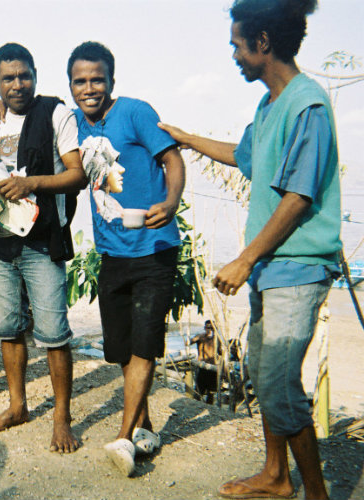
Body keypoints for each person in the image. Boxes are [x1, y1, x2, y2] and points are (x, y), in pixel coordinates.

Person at [158, 1, 340, 498]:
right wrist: (186, 138)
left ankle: (317, 494)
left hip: (298, 269)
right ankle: (276, 476)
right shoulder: (269, 106)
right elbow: (243, 157)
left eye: (238, 45)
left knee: (281, 385)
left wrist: (244, 258)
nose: (234, 55)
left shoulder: (308, 105)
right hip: (273, 271)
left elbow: (298, 198)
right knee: (262, 370)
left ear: (263, 43)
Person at [69, 41, 186, 476]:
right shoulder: (75, 124)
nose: (89, 88)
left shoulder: (135, 111)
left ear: (112, 81)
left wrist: (171, 202)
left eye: (97, 79)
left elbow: (173, 159)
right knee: (120, 347)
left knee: (143, 345)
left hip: (155, 249)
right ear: (71, 85)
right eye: (80, 81)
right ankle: (147, 425)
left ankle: (124, 437)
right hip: (111, 252)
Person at [0, 43, 87, 453]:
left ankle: (62, 418)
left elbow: (77, 175)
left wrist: (32, 184)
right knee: (7, 328)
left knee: (54, 333)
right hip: (1, 243)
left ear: (36, 74)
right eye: (8, 78)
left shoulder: (57, 113)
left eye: (24, 75)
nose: (17, 84)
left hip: (43, 242)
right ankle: (17, 406)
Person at [189, 320, 219, 404]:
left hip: (213, 368)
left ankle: (209, 407)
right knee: (199, 390)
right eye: (207, 327)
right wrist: (189, 340)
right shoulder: (201, 337)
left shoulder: (217, 340)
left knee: (211, 392)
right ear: (204, 328)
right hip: (202, 367)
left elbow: (221, 353)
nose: (209, 329)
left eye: (211, 328)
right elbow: (190, 342)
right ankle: (195, 406)